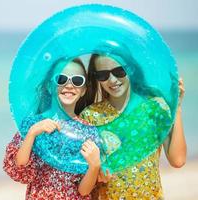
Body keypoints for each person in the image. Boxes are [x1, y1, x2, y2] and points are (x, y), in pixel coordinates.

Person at [80, 54, 187, 199]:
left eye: (119, 71)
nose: (112, 80)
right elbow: (83, 173)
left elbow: (178, 160)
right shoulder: (91, 115)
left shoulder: (154, 107)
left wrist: (177, 107)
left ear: (130, 69)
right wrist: (96, 173)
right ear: (96, 78)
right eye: (103, 75)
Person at [3, 58, 101, 199]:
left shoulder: (88, 131)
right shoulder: (33, 123)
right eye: (62, 79)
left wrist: (94, 166)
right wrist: (31, 134)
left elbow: (84, 191)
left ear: (83, 90)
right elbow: (19, 170)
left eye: (77, 81)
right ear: (50, 86)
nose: (69, 85)